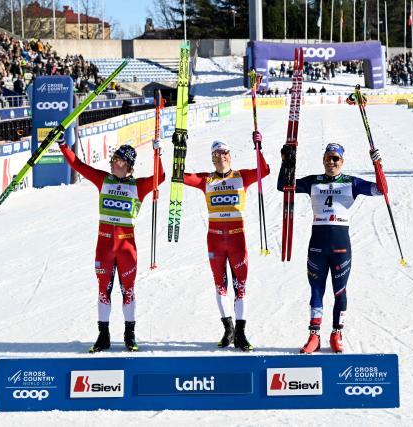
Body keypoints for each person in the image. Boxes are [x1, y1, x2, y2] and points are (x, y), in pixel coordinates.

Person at [277, 143, 384, 354]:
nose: (331, 162)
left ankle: (337, 333)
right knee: (316, 291)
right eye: (328, 158)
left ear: (342, 161)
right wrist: (285, 161)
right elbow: (283, 186)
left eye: (335, 158)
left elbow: (381, 190)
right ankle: (314, 336)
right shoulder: (313, 181)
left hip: (341, 247)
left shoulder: (352, 183)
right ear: (323, 159)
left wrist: (377, 164)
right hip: (317, 246)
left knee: (340, 292)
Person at [59, 140, 165, 353]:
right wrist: (62, 145)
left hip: (127, 248)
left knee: (128, 292)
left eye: (117, 160)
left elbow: (160, 177)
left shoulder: (138, 186)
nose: (113, 163)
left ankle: (129, 335)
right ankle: (103, 335)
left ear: (128, 165)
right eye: (113, 159)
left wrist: (157, 154)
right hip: (104, 246)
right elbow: (79, 166)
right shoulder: (103, 180)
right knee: (103, 292)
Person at [183, 132, 270, 351]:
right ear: (212, 158)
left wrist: (258, 148)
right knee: (220, 286)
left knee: (240, 287)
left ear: (230, 156)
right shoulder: (206, 180)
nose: (222, 156)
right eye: (217, 153)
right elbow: (180, 177)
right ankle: (228, 329)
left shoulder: (241, 177)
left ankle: (240, 334)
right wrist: (179, 150)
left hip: (236, 238)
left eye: (225, 153)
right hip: (214, 240)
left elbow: (265, 171)